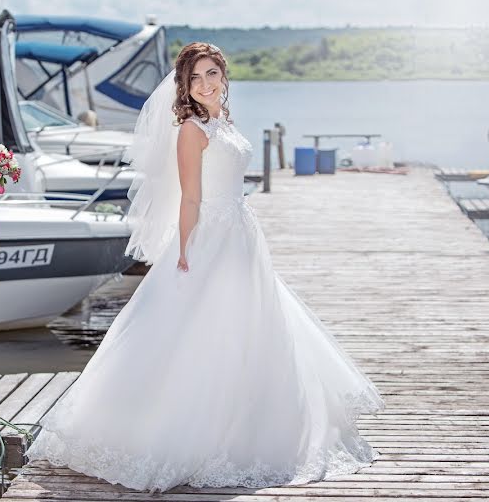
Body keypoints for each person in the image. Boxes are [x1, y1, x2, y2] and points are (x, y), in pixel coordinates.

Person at [26, 43, 384, 491]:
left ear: (224, 75)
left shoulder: (222, 123)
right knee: (202, 329)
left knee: (251, 327)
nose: (206, 84)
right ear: (185, 86)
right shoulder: (191, 130)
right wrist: (186, 250)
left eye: (212, 73)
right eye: (196, 78)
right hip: (212, 235)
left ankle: (250, 421)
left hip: (242, 234)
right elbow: (190, 197)